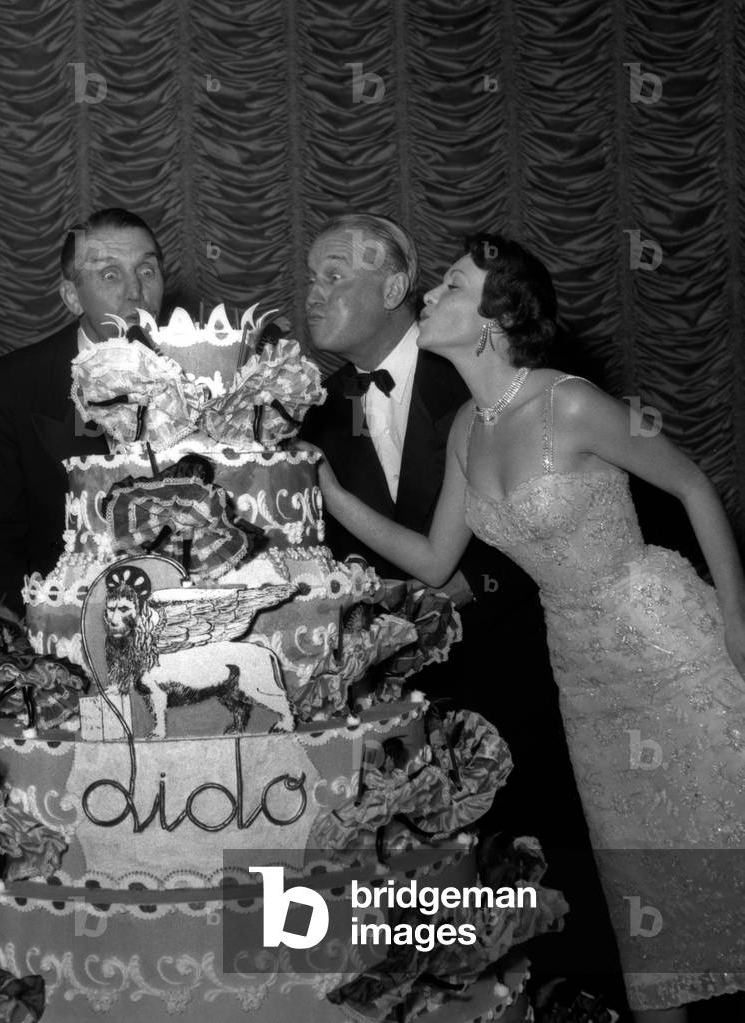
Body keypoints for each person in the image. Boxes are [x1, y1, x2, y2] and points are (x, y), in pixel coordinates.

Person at [313, 231, 745, 1020]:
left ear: (492, 320)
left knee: (725, 841)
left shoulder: (570, 400)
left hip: (668, 644)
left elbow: (693, 487)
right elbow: (436, 561)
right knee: (641, 882)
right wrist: (337, 502)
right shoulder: (466, 431)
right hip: (582, 674)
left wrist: (739, 625)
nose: (431, 298)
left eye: (449, 286)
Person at [0, 208, 165, 614]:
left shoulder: (210, 374)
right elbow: (0, 548)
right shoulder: (5, 390)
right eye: (110, 275)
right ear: (72, 296)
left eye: (147, 271)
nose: (135, 292)